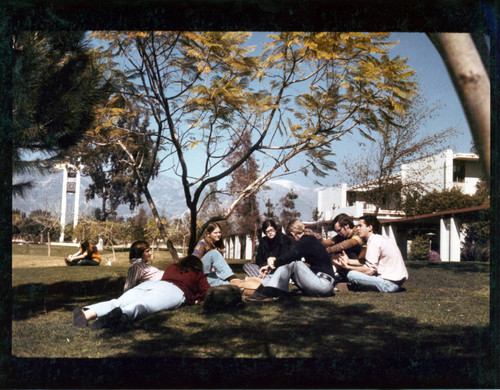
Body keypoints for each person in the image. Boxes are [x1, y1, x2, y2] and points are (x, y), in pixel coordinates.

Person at [72, 254, 210, 329]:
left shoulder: (173, 266)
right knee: (145, 305)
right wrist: (195, 298)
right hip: (173, 291)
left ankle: (87, 313)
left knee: (119, 301)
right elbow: (207, 292)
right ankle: (119, 317)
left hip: (151, 284)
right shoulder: (198, 273)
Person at [246, 219, 335, 301]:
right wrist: (270, 266)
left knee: (292, 262)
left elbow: (290, 256)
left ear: (292, 234)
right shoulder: (309, 240)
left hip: (324, 284)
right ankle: (263, 288)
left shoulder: (307, 241)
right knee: (290, 261)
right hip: (322, 282)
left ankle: (271, 291)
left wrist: (274, 262)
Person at [334, 215, 408, 293]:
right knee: (356, 274)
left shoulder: (374, 241)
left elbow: (369, 271)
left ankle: (354, 287)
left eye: (360, 226)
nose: (357, 228)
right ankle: (355, 286)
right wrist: (349, 261)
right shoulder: (379, 239)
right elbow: (366, 262)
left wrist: (347, 266)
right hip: (396, 282)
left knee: (351, 275)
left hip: (389, 284)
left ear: (370, 227)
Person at [192, 222, 239, 287]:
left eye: (219, 232)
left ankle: (239, 284)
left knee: (229, 284)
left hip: (208, 277)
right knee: (214, 253)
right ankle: (232, 278)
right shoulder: (202, 244)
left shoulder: (216, 246)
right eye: (215, 233)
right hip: (197, 274)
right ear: (208, 234)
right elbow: (194, 263)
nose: (219, 234)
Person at [322, 213, 363, 282]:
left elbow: (344, 245)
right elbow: (328, 242)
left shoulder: (358, 234)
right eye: (336, 231)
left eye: (339, 230)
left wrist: (325, 251)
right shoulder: (342, 236)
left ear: (346, 226)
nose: (338, 233)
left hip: (360, 266)